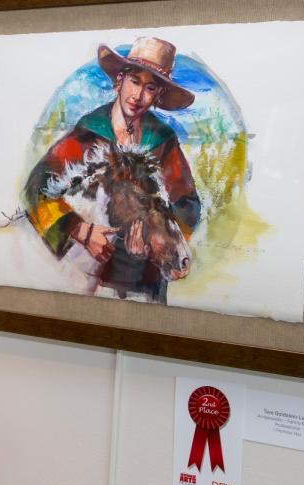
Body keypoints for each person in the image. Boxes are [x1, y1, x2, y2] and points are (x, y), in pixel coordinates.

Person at [24, 36, 201, 302]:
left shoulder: (162, 139)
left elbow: (188, 204)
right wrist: (81, 231)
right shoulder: (89, 132)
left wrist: (154, 240)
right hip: (84, 270)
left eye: (150, 88)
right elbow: (36, 188)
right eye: (134, 82)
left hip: (145, 277)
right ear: (120, 80)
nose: (138, 96)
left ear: (158, 95)